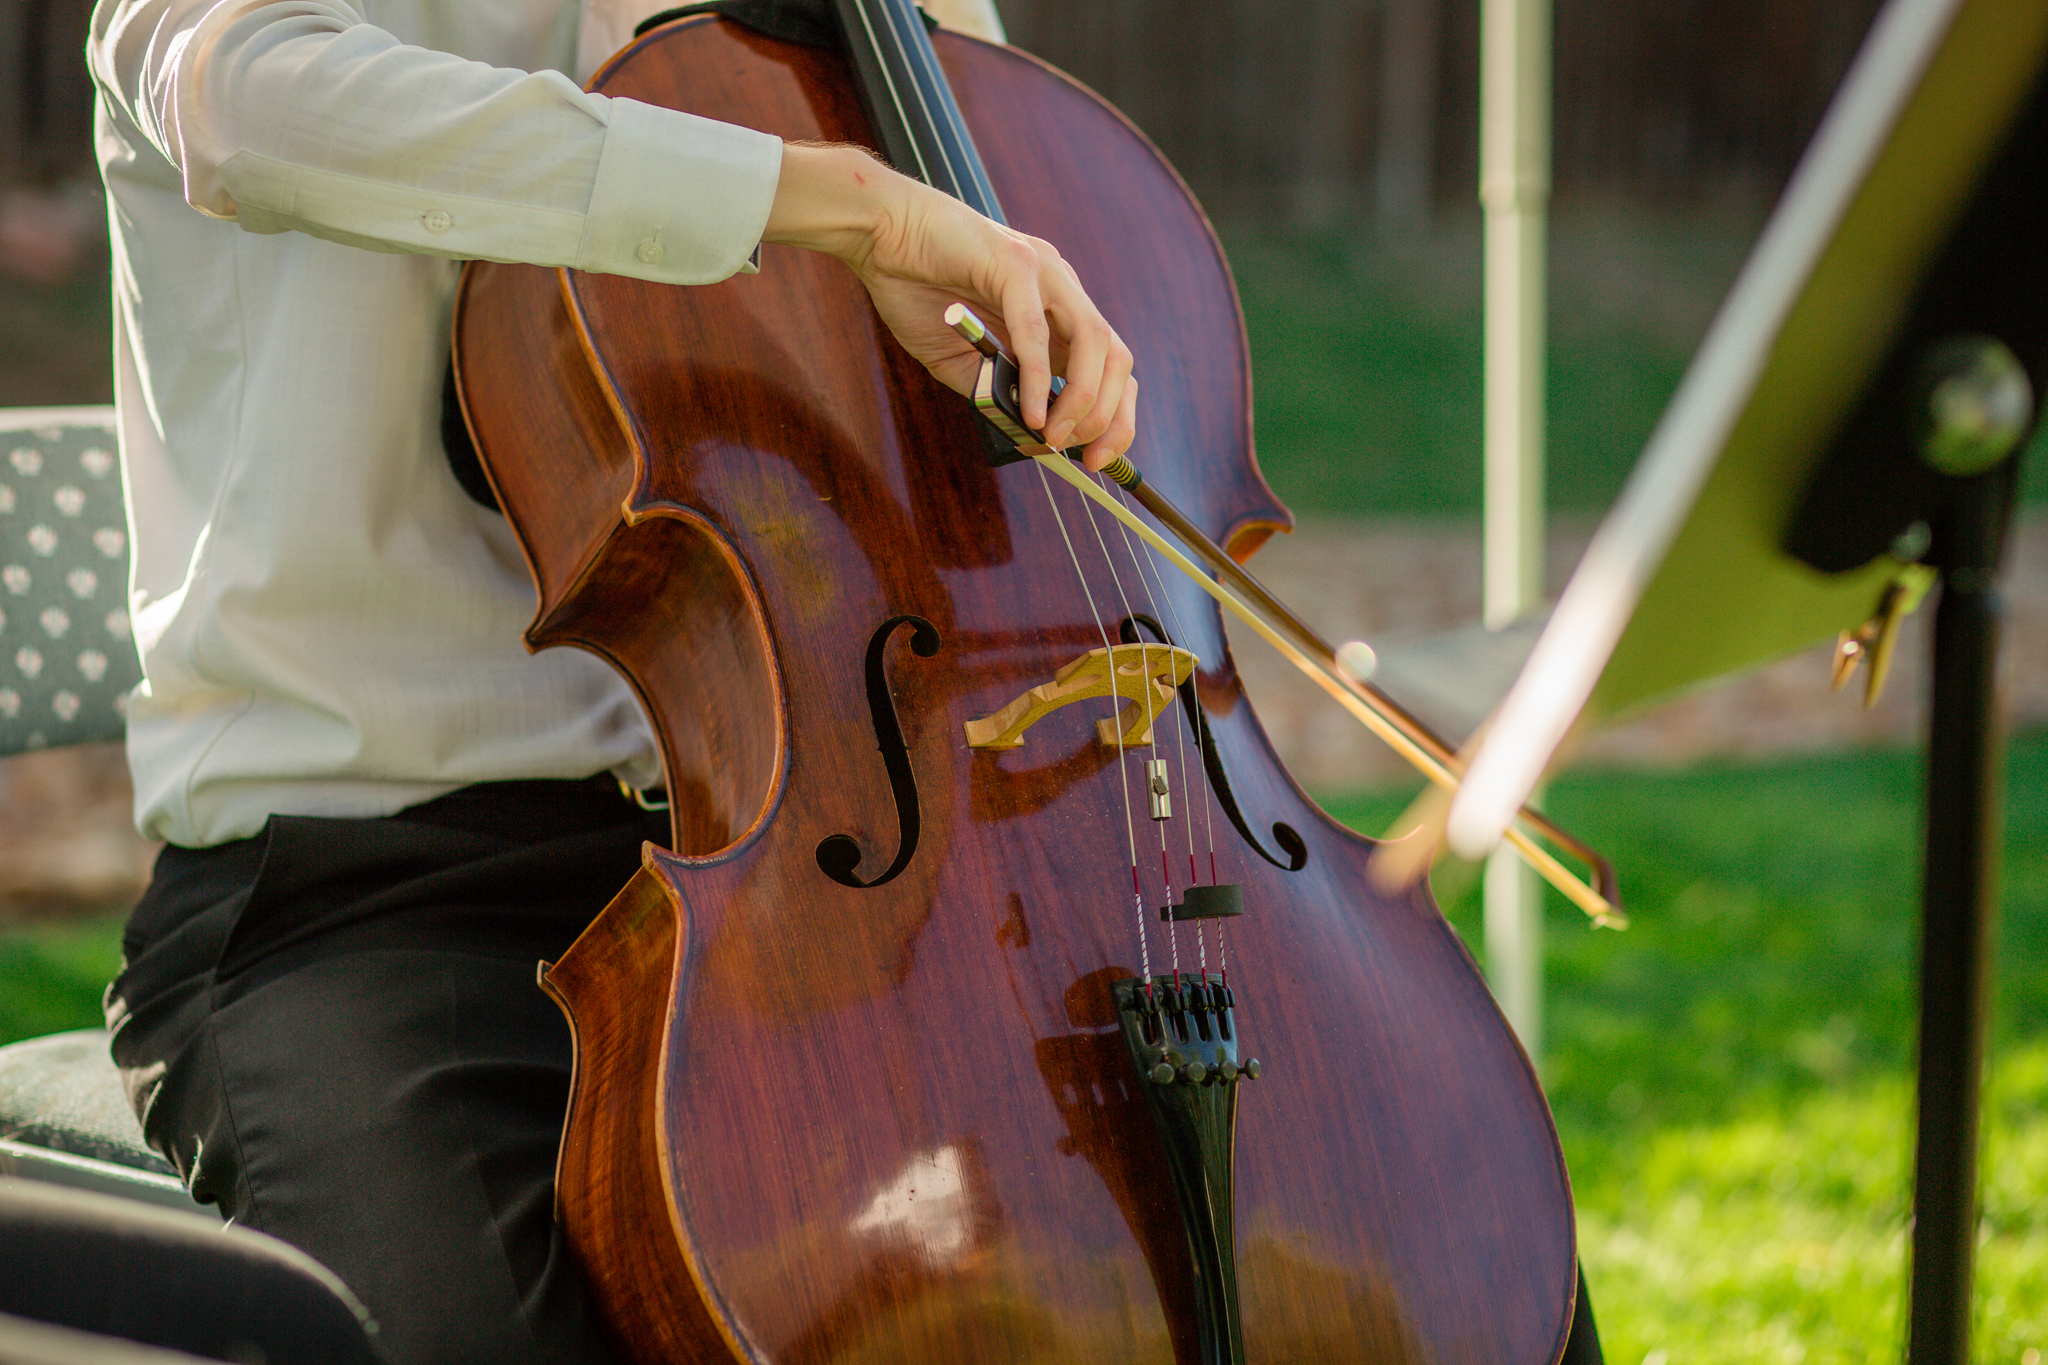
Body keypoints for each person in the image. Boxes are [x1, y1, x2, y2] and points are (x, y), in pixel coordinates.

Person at [85, 0, 1136, 1360]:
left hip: (793, 877)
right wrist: (846, 202)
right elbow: (246, 112)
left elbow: (980, 218)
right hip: (362, 892)